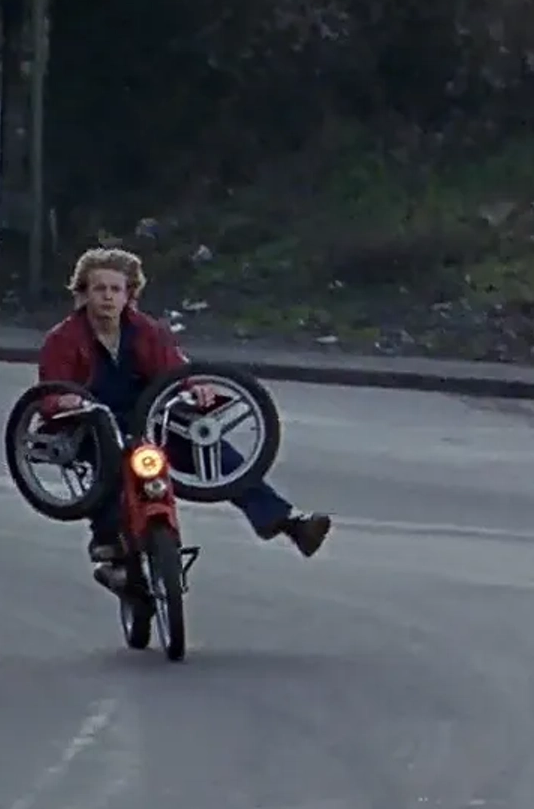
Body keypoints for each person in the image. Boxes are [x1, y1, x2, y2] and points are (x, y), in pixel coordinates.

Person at [35, 247, 333, 583]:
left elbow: (175, 370)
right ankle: (107, 542)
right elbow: (49, 392)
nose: (107, 297)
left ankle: (287, 522)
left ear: (129, 294)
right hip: (93, 423)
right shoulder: (62, 339)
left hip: (149, 418)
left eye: (115, 289)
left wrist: (197, 390)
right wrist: (64, 402)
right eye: (99, 289)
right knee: (111, 470)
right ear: (83, 293)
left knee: (214, 453)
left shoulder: (148, 331)